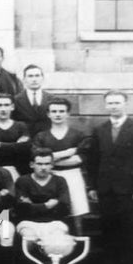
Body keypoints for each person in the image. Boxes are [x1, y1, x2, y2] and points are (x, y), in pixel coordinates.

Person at [87, 90, 133, 264]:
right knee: (109, 230)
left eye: (117, 102)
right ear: (105, 105)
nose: (114, 106)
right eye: (110, 103)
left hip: (130, 190)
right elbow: (93, 160)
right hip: (106, 189)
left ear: (125, 104)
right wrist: (93, 186)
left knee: (129, 231)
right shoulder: (100, 130)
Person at [33, 98, 90, 234]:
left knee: (76, 212)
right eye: (54, 111)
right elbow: (38, 157)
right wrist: (67, 152)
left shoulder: (78, 134)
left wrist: (50, 160)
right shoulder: (41, 136)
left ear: (68, 114)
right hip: (49, 177)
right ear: (48, 114)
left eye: (61, 111)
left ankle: (78, 242)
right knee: (51, 211)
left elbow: (78, 159)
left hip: (72, 175)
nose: (58, 114)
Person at [15, 148, 71, 241]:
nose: (43, 167)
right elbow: (21, 209)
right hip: (28, 223)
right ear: (31, 164)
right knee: (29, 238)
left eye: (47, 164)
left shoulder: (60, 181)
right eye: (39, 164)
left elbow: (65, 208)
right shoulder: (23, 181)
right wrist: (47, 205)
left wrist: (33, 205)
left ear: (52, 165)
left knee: (58, 240)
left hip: (54, 223)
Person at [13, 64, 54, 137]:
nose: (34, 79)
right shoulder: (16, 100)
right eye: (30, 76)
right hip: (24, 140)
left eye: (37, 76)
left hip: (46, 140)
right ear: (24, 79)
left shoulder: (52, 99)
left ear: (42, 78)